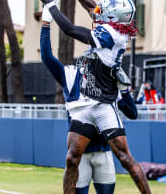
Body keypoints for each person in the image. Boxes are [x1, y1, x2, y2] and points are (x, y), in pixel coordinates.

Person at [31, 0, 151, 193]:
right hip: (86, 105)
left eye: (106, 11)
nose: (99, 11)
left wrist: (50, 6)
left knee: (125, 157)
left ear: (114, 17)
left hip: (103, 104)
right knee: (72, 156)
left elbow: (71, 30)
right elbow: (92, 7)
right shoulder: (115, 25)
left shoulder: (111, 35)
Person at [40, 15, 139, 193]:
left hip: (104, 152)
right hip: (81, 155)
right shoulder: (71, 75)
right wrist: (46, 23)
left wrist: (123, 89)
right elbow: (47, 57)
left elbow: (132, 113)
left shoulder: (107, 80)